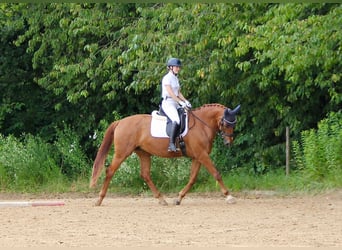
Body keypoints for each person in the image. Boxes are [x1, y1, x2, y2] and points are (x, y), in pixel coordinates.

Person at [161, 58, 191, 152]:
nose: (178, 68)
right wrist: (180, 102)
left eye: (178, 67)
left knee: (187, 116)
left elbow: (178, 93)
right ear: (170, 67)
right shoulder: (167, 78)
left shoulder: (175, 78)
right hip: (168, 103)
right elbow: (171, 93)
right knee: (176, 120)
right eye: (176, 67)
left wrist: (186, 101)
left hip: (175, 102)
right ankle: (171, 144)